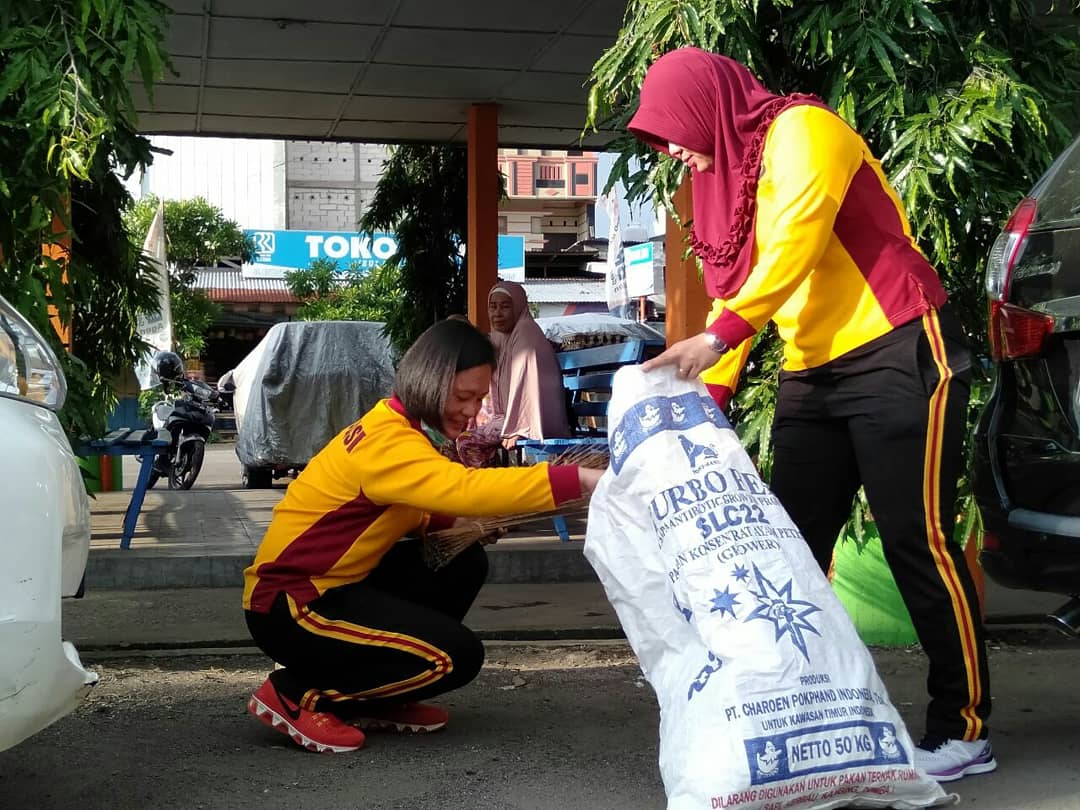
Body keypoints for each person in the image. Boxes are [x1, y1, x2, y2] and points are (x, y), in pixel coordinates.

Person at [631, 47, 993, 783]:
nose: (669, 148)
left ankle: (965, 728)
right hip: (813, 371)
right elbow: (742, 295)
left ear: (708, 106)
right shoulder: (722, 186)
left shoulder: (805, 131)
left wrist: (722, 340)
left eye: (671, 128)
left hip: (897, 344)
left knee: (914, 542)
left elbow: (795, 241)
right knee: (786, 552)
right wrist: (709, 400)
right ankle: (796, 715)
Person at [242, 318, 601, 753]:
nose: (472, 411)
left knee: (461, 560)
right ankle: (296, 693)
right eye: (464, 397)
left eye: (480, 398)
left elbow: (408, 512)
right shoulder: (388, 442)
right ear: (429, 382)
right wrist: (577, 479)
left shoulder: (397, 431)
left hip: (331, 590)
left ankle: (386, 692)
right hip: (292, 606)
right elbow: (462, 489)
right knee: (457, 657)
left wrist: (458, 527)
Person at [457, 281, 570, 466]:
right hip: (508, 418)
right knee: (453, 439)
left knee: (466, 442)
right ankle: (491, 483)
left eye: (505, 307)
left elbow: (527, 387)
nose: (497, 313)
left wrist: (518, 428)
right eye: (493, 307)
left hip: (534, 420)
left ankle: (489, 486)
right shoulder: (499, 337)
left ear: (518, 307)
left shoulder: (526, 335)